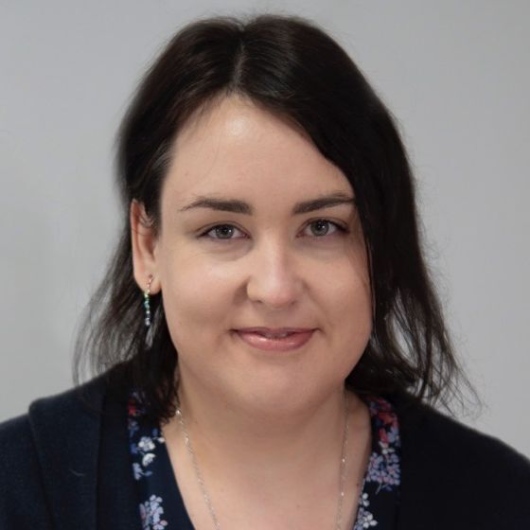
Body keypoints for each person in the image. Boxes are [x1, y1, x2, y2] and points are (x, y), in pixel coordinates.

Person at [0, 14, 529, 530]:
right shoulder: (20, 488)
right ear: (148, 247)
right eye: (223, 230)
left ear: (382, 246)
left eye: (322, 227)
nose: (275, 289)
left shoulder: (501, 501)